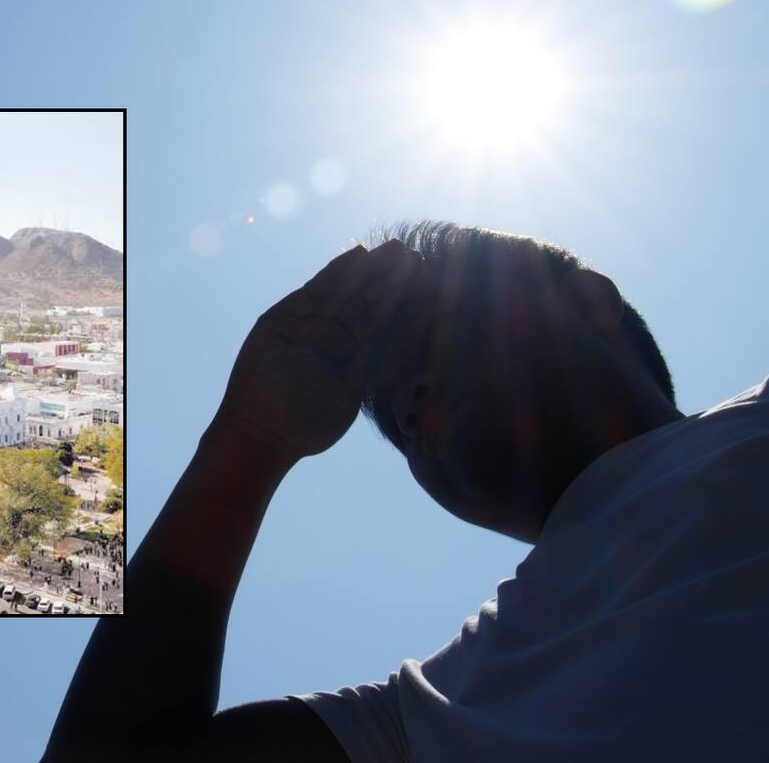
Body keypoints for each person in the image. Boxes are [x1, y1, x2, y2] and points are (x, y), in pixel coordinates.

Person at [43, 222, 769, 762]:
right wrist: (250, 442)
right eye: (392, 415)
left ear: (588, 302)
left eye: (441, 337)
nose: (411, 398)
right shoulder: (427, 715)